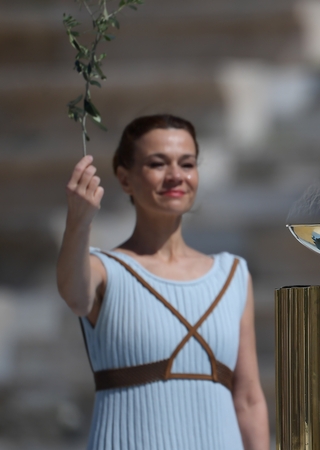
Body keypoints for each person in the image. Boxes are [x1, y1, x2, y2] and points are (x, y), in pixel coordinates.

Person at [56, 114, 270, 450]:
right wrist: (78, 222)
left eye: (187, 164)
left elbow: (248, 399)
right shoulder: (103, 269)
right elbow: (74, 296)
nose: (175, 176)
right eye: (157, 163)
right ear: (125, 179)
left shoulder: (233, 275)